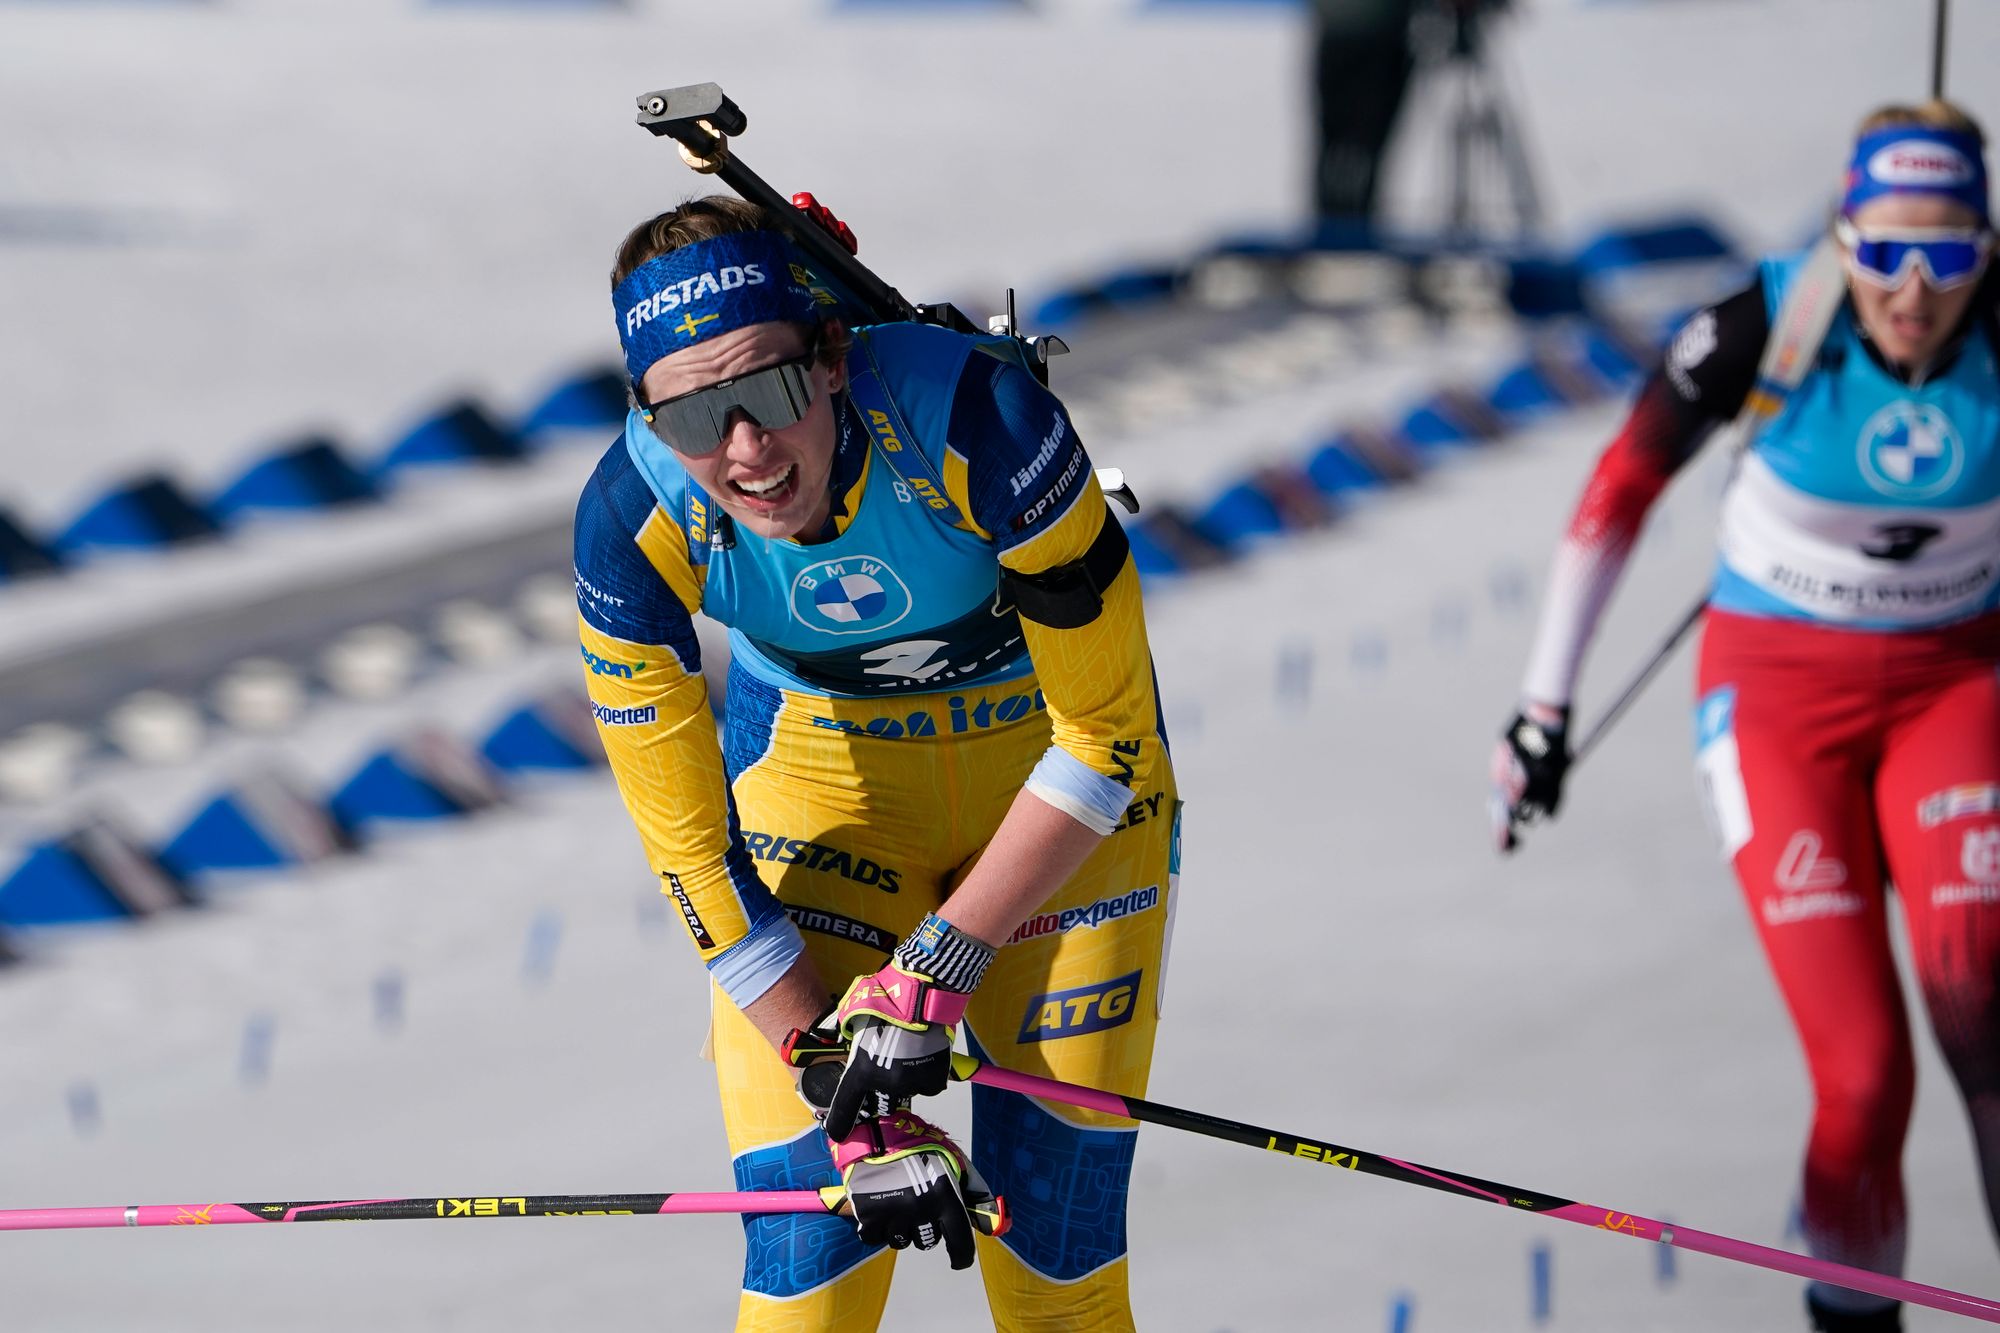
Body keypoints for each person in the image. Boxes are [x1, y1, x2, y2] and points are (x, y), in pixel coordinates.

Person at [574, 194, 1180, 1332]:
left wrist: (933, 972)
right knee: (808, 1292)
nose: (745, 450)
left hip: (1060, 818)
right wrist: (830, 1076)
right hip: (823, 798)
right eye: (697, 415)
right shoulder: (630, 524)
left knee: (1055, 1284)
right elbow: (693, 856)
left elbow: (1107, 737)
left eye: (769, 390)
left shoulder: (978, 418)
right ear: (647, 419)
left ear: (833, 357)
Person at [1490, 101, 2000, 1332]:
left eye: (1947, 255)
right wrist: (1540, 712)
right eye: (1883, 252)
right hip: (1778, 703)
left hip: (1951, 688)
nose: (1913, 290)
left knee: (1984, 1017)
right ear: (1840, 236)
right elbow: (1616, 493)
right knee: (1863, 1077)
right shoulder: (1766, 320)